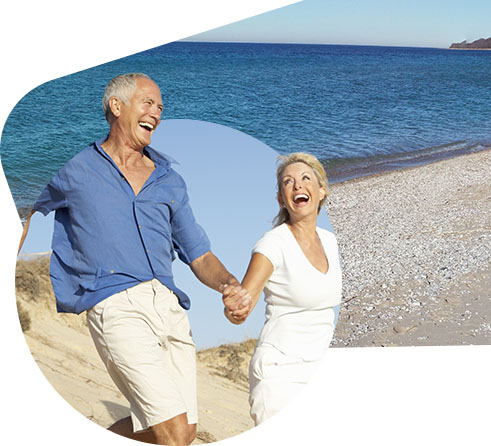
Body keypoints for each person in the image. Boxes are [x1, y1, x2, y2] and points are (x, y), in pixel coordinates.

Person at [18, 73, 251, 445]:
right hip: (114, 302)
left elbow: (199, 253)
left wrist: (230, 285)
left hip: (170, 306)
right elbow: (22, 206)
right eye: (148, 103)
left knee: (184, 432)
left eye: (160, 107)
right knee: (172, 431)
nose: (156, 113)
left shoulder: (169, 180)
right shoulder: (74, 166)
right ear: (116, 106)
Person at [225, 152, 342, 425]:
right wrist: (236, 311)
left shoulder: (332, 243)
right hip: (281, 374)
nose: (297, 186)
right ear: (281, 198)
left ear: (321, 191)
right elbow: (243, 302)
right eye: (288, 182)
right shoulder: (272, 244)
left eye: (305, 179)